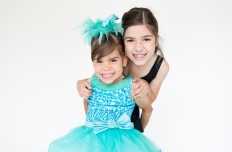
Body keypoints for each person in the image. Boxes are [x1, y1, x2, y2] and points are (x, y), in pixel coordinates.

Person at [48, 14, 162, 152]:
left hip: (123, 143)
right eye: (99, 61)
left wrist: (137, 134)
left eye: (113, 60)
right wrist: (92, 124)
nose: (106, 67)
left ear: (124, 61)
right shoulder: (92, 83)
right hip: (93, 140)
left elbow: (147, 109)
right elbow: (87, 102)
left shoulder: (131, 86)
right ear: (93, 62)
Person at [77, 7, 169, 133]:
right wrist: (81, 84)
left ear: (156, 40)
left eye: (146, 39)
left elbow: (149, 102)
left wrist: (144, 87)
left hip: (130, 121)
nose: (138, 48)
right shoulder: (118, 60)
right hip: (104, 122)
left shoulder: (161, 67)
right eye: (130, 40)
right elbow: (97, 82)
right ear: (122, 41)